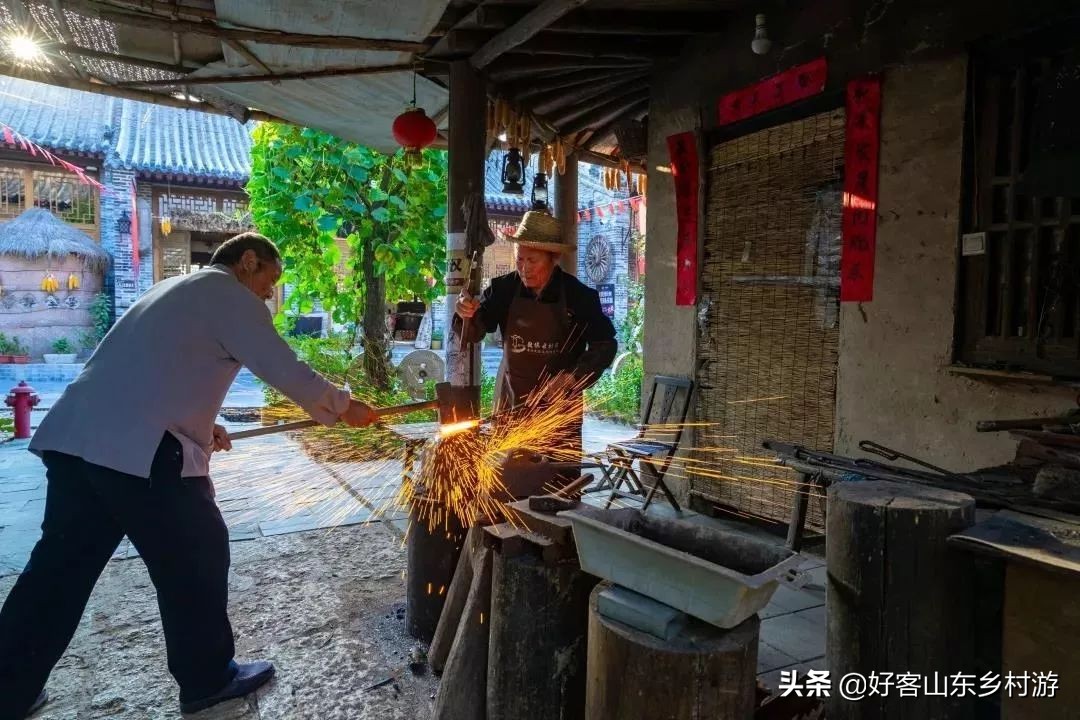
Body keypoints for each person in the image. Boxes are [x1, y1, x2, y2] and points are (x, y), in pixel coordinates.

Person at [0, 233, 377, 719]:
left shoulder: (175, 289)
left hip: (78, 440)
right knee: (198, 551)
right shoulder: (229, 294)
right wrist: (344, 407)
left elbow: (152, 370)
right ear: (248, 263)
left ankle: (9, 685)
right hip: (137, 450)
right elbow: (284, 366)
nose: (269, 294)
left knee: (56, 574)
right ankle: (208, 678)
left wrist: (202, 424)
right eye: (270, 281)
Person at [455, 210, 617, 459]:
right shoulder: (504, 289)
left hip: (560, 410)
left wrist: (572, 378)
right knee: (511, 481)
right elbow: (474, 332)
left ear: (554, 259)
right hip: (513, 406)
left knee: (559, 486)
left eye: (533, 261)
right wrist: (466, 315)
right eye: (520, 260)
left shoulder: (579, 296)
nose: (524, 268)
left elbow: (605, 345)